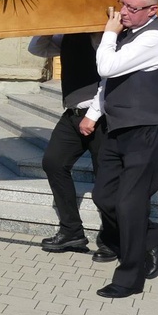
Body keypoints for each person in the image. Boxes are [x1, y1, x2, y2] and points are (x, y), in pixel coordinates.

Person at [92, 0, 158, 299]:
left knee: (129, 203)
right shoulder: (132, 31)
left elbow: (107, 66)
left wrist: (109, 33)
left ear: (152, 10)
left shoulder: (154, 38)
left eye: (132, 8)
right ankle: (153, 236)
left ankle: (130, 277)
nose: (123, 12)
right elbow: (107, 82)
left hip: (147, 130)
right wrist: (95, 113)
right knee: (104, 196)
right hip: (118, 128)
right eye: (123, 4)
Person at [28, 34, 116, 263]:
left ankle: (112, 238)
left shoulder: (103, 36)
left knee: (106, 179)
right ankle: (72, 232)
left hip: (102, 117)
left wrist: (94, 114)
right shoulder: (67, 34)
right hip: (73, 115)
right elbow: (38, 49)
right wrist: (47, 26)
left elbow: (109, 78)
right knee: (54, 162)